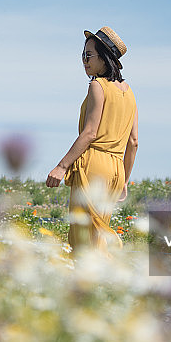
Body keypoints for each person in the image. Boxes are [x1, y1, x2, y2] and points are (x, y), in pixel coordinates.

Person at [46, 26, 138, 255]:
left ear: (106, 59)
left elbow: (90, 133)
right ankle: (104, 282)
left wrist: (61, 166)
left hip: (94, 164)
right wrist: (124, 179)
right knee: (98, 231)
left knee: (84, 237)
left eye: (89, 55)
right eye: (83, 55)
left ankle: (97, 281)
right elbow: (133, 142)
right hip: (116, 168)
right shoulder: (129, 92)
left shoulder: (97, 86)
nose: (84, 61)